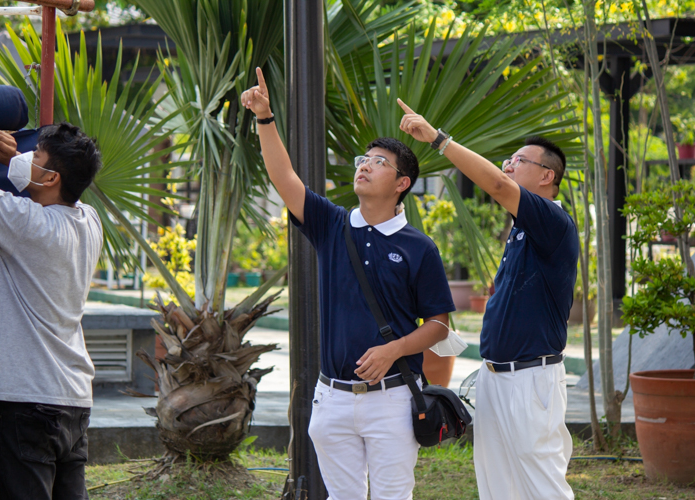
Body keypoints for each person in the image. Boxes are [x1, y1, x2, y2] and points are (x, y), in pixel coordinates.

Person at [241, 68, 456, 499]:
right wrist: (264, 117)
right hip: (332, 398)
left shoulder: (419, 247)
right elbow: (285, 180)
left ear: (401, 184)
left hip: (393, 399)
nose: (365, 166)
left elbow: (440, 326)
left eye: (379, 162)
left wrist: (393, 349)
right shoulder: (332, 224)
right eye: (363, 159)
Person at [398, 99, 577, 500]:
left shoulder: (552, 220)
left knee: (542, 484)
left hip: (532, 380)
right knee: (498, 485)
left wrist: (437, 139)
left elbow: (497, 186)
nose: (508, 166)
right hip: (496, 378)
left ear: (547, 175)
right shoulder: (520, 231)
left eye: (519, 160)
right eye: (508, 160)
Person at [0, 123, 103, 500]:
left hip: (25, 405)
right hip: (73, 403)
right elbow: (50, 186)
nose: (27, 158)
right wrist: (17, 161)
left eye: (36, 158)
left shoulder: (26, 225)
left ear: (50, 177)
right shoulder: (89, 221)